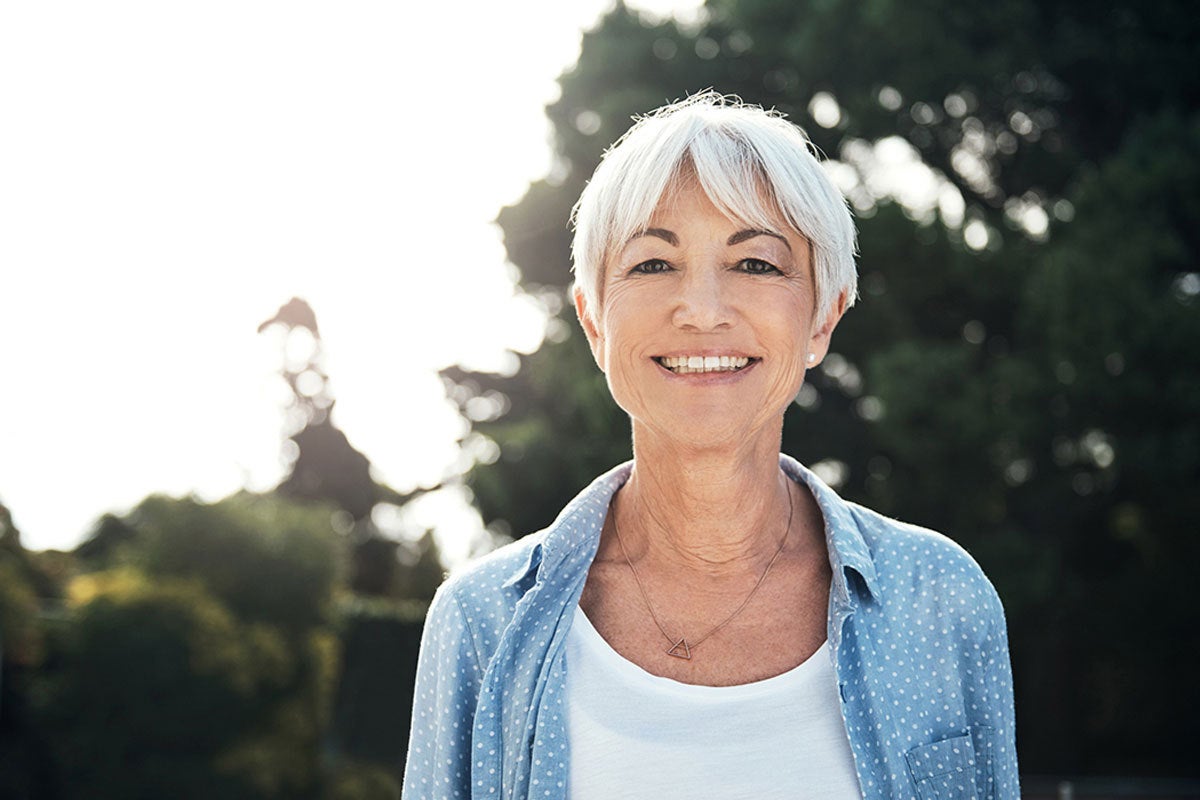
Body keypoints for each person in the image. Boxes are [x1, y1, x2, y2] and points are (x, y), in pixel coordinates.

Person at [402, 91, 1018, 799]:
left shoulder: (940, 601)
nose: (701, 310)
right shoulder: (482, 621)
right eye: (652, 264)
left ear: (822, 318)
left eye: (755, 264)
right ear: (595, 322)